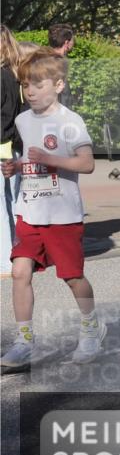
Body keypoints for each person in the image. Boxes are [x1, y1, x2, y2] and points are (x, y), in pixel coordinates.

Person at [0, 48, 103, 368]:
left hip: (62, 215)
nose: (30, 91)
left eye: (38, 85)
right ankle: (24, 341)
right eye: (25, 85)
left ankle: (91, 328)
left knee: (73, 277)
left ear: (58, 85)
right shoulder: (22, 120)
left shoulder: (70, 121)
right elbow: (30, 159)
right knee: (20, 272)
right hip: (29, 211)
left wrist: (51, 159)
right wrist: (16, 167)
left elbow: (87, 164)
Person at [1, 25, 23, 276]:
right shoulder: (16, 75)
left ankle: (6, 261)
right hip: (14, 145)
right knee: (14, 202)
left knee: (2, 204)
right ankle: (22, 254)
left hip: (2, 145)